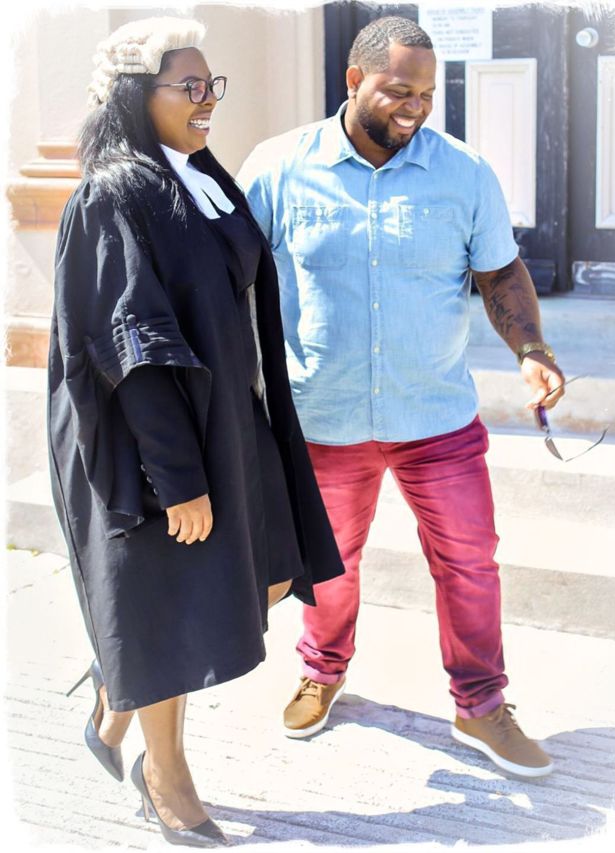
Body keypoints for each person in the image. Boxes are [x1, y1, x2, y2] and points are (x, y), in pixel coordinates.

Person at [238, 15, 565, 779]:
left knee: (470, 562)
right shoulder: (279, 167)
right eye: (397, 91)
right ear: (353, 80)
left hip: (435, 416)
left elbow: (500, 272)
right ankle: (321, 671)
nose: (415, 107)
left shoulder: (464, 172)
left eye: (426, 93)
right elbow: (229, 274)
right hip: (323, 417)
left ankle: (480, 703)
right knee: (329, 563)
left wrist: (532, 350)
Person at [49, 16, 343, 848]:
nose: (208, 99)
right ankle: (164, 775)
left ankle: (115, 689)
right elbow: (130, 349)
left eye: (213, 84)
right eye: (189, 86)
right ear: (136, 97)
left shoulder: (200, 177)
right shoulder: (113, 194)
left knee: (270, 571)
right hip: (148, 438)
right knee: (171, 604)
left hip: (225, 420)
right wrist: (176, 477)